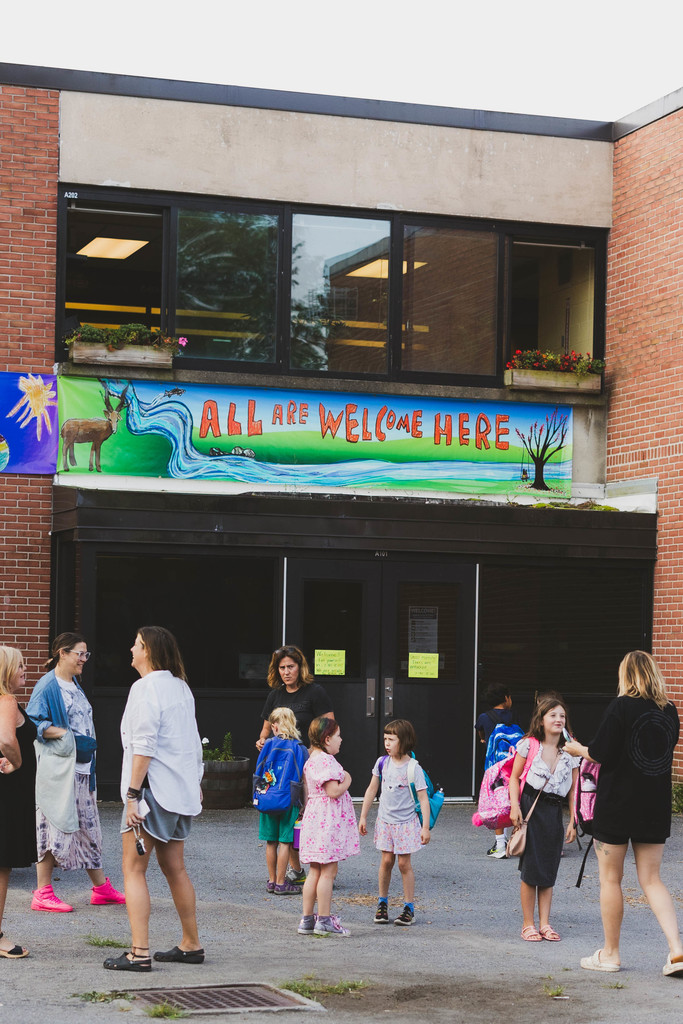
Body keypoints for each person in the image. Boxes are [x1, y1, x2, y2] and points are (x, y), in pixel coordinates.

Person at [564, 651, 683, 976]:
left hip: (616, 805)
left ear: (626, 675)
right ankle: (677, 950)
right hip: (654, 807)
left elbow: (601, 752)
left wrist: (578, 749)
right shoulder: (669, 710)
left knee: (610, 879)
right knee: (652, 879)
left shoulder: (620, 706)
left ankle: (611, 954)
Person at [104, 626, 204, 973]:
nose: (131, 648)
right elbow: (192, 741)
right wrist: (196, 780)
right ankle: (191, 944)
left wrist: (131, 796)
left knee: (133, 869)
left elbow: (143, 746)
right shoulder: (181, 687)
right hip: (179, 792)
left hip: (151, 792)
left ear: (149, 650)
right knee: (175, 867)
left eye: (136, 643)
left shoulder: (145, 688)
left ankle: (139, 952)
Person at [26, 632, 125, 913]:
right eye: (79, 654)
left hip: (83, 770)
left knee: (88, 828)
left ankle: (101, 889)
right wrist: (67, 737)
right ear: (62, 653)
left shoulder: (74, 684)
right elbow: (33, 722)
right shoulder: (48, 686)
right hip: (61, 772)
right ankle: (42, 892)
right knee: (53, 825)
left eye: (86, 654)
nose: (84, 659)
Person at [256, 645, 333, 886]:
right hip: (282, 774)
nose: (287, 672)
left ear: (300, 667)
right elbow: (266, 731)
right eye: (282, 668)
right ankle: (296, 870)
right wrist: (262, 742)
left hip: (309, 764)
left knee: (311, 817)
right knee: (290, 819)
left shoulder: (315, 692)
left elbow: (329, 728)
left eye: (291, 666)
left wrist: (313, 751)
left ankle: (320, 868)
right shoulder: (275, 695)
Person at [509, 695, 578, 942]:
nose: (559, 719)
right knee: (530, 867)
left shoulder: (572, 750)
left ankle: (545, 924)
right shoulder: (529, 745)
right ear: (541, 720)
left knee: (548, 867)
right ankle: (528, 924)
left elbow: (574, 789)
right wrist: (514, 807)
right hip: (530, 807)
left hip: (553, 811)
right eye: (553, 715)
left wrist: (572, 820)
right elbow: (514, 778)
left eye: (562, 716)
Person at [358, 718, 430, 927]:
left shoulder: (413, 768)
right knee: (386, 862)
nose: (387, 743)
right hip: (385, 822)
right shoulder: (382, 763)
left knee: (403, 864)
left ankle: (409, 907)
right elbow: (372, 789)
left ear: (404, 741)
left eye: (391, 739)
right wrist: (363, 816)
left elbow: (423, 798)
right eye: (385, 739)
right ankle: (382, 903)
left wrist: (425, 827)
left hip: (406, 823)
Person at [297, 717, 359, 936]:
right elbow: (333, 791)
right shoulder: (327, 760)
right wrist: (348, 779)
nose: (341, 740)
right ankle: (324, 920)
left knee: (315, 869)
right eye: (338, 736)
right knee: (328, 871)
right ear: (327, 739)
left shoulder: (311, 758)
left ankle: (307, 920)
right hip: (327, 821)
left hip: (314, 818)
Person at [0, 646, 37, 958]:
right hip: (8, 795)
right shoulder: (7, 701)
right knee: (1, 865)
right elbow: (6, 739)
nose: (25, 669)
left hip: (9, 794)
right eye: (20, 665)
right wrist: (18, 762)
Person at [256, 708, 308, 895]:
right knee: (285, 842)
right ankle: (281, 882)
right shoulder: (299, 748)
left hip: (267, 797)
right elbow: (304, 776)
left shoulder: (268, 744)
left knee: (271, 842)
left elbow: (259, 770)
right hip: (288, 800)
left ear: (275, 726)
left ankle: (271, 881)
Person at [475, 684, 517, 858]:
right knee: (510, 802)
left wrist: (485, 739)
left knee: (497, 804)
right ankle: (512, 841)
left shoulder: (484, 717)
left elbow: (481, 735)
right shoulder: (513, 716)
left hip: (494, 769)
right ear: (506, 698)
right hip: (512, 766)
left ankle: (500, 845)